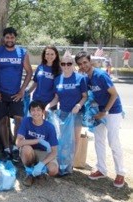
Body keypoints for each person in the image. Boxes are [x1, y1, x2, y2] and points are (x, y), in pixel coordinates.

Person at [75, 51, 126, 188]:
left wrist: (105, 111)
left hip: (112, 111)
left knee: (113, 141)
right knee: (99, 140)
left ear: (90, 61)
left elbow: (114, 94)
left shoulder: (101, 75)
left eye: (85, 62)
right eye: (80, 64)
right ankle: (102, 169)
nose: (83, 65)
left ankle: (120, 172)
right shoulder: (86, 77)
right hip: (99, 112)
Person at [0, 27, 33, 162]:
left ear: (15, 38)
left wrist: (22, 90)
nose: (9, 40)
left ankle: (15, 147)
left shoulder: (22, 53)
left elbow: (29, 72)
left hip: (16, 94)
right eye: (7, 37)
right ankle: (7, 149)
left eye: (12, 37)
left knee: (19, 120)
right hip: (0, 94)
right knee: (2, 121)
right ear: (3, 38)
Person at [46, 53, 87, 172]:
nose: (66, 66)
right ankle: (62, 162)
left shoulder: (80, 78)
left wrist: (78, 105)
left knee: (74, 139)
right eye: (63, 63)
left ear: (73, 64)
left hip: (76, 114)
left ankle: (70, 165)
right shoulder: (58, 79)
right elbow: (56, 98)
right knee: (63, 139)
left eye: (69, 63)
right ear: (60, 64)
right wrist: (48, 106)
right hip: (63, 113)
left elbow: (85, 96)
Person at [16, 101, 59, 186]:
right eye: (33, 110)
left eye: (38, 110)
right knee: (26, 149)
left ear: (43, 112)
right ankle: (29, 174)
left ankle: (40, 172)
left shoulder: (50, 127)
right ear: (30, 112)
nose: (35, 113)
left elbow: (54, 151)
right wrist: (38, 140)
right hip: (30, 150)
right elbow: (18, 143)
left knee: (53, 170)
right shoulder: (26, 121)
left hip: (43, 152)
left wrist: (42, 164)